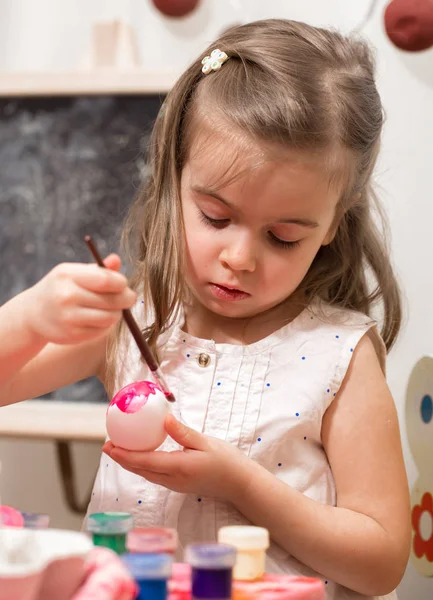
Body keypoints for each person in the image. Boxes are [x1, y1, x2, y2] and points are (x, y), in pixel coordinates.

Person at [0, 19, 410, 599]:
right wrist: (27, 318)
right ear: (175, 182)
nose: (240, 257)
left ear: (330, 228)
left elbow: (382, 560)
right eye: (216, 218)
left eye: (284, 236)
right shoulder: (137, 321)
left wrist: (242, 484)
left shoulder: (339, 353)